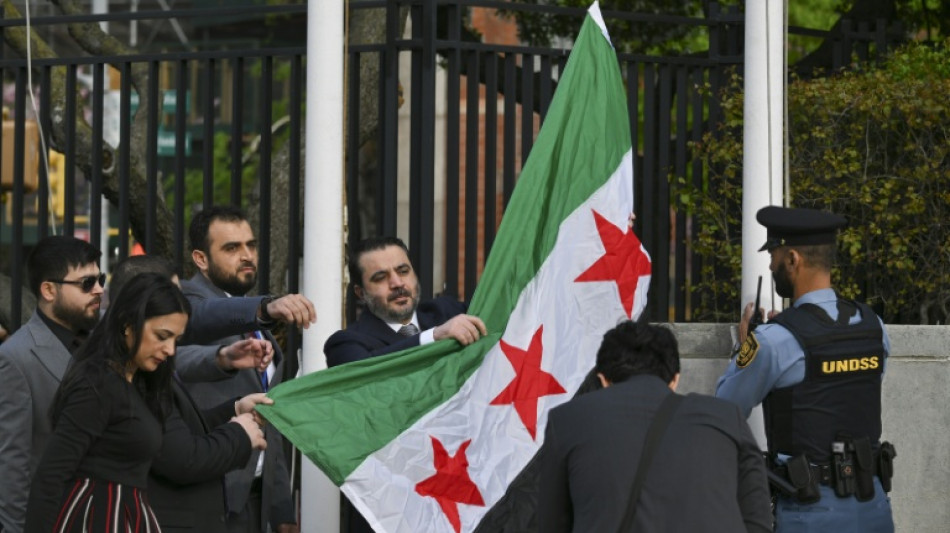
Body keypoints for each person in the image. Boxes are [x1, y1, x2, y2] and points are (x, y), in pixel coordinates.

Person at [716, 205, 895, 532]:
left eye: (774, 254)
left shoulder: (775, 340)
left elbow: (723, 410)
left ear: (793, 259)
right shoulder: (874, 327)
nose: (771, 264)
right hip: (874, 507)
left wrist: (744, 350)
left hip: (811, 513)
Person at [540, 320, 772, 532]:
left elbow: (552, 523)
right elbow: (758, 520)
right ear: (675, 379)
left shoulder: (567, 420)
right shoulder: (727, 417)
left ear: (603, 380)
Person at [176, 206, 315, 533]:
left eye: (250, 245)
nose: (246, 255)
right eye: (231, 248)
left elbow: (268, 417)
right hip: (209, 497)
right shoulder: (185, 301)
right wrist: (264, 308)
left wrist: (282, 508)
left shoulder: (252, 321)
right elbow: (201, 328)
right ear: (200, 259)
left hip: (255, 500)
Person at [108, 255, 271, 532]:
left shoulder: (147, 365)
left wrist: (235, 410)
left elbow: (179, 429)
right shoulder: (125, 373)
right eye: (170, 298)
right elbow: (183, 459)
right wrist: (239, 434)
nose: (172, 349)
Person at [24, 273, 190, 532]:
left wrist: (235, 409)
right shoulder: (99, 384)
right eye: (162, 336)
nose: (170, 350)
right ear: (128, 325)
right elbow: (51, 475)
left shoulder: (137, 383)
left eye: (175, 340)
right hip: (95, 519)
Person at [0, 236, 103, 533]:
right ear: (48, 290)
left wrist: (219, 357)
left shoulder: (105, 336)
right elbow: (13, 466)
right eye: (86, 283)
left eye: (101, 279)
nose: (99, 290)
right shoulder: (16, 357)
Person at [323, 236, 487, 367]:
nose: (397, 283)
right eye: (380, 278)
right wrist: (433, 336)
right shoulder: (345, 344)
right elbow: (366, 372)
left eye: (403, 271)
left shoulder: (448, 311)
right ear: (361, 293)